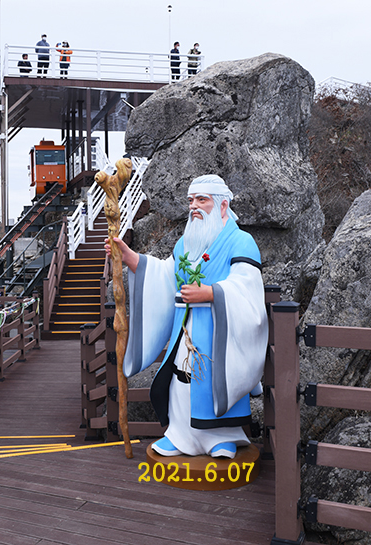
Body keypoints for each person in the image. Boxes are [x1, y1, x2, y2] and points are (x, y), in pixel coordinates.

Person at [106, 175, 268, 459]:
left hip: (219, 328)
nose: (194, 206)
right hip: (186, 327)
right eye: (191, 200)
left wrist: (211, 293)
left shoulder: (241, 242)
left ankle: (223, 437)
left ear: (222, 206)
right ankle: (180, 435)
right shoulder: (186, 244)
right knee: (181, 377)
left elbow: (247, 286)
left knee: (213, 375)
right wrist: (131, 258)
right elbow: (166, 276)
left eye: (202, 200)